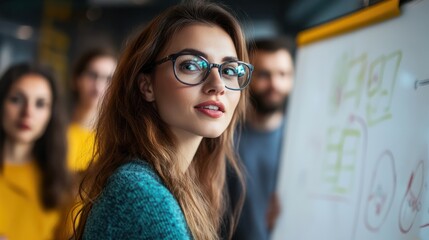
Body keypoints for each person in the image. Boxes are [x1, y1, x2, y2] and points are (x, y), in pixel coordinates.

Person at [73, 0, 253, 239]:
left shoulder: (163, 182)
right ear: (147, 86)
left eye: (230, 70)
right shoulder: (142, 194)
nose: (217, 85)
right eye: (191, 65)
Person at [229, 37, 295, 240]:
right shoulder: (223, 139)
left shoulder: (305, 141)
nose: (275, 84)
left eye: (283, 74)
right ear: (245, 77)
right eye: (264, 74)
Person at [0, 63, 70, 240]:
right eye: (16, 99)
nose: (28, 113)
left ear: (50, 113)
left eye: (40, 104)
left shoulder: (61, 183)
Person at [67, 48, 117, 172]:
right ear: (76, 79)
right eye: (92, 75)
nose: (98, 86)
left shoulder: (117, 139)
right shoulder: (54, 128)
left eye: (109, 79)